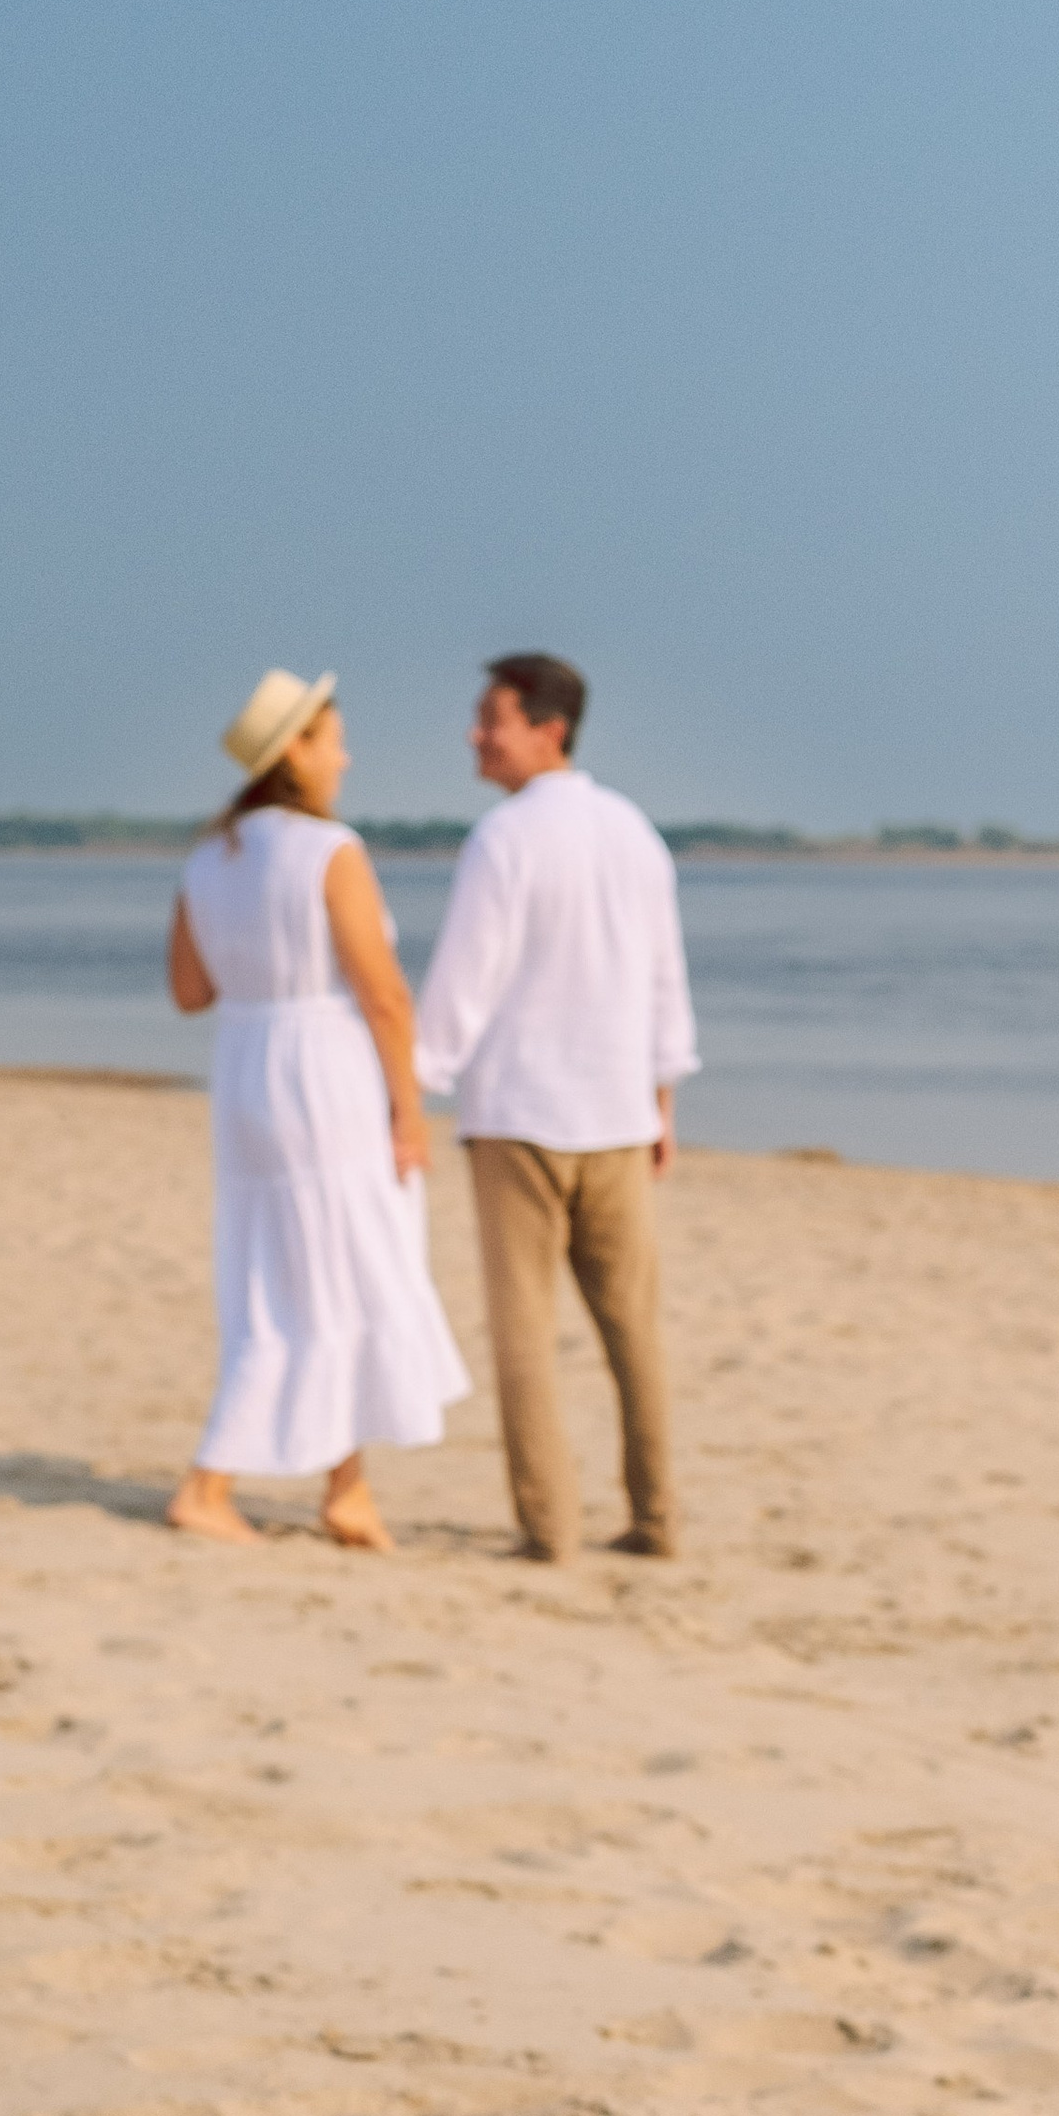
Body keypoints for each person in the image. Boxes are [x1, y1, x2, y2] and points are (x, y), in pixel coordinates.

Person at [165, 669, 468, 1550]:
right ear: (294, 752)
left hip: (247, 1069)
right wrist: (408, 1113)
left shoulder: (211, 857)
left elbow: (190, 991)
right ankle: (208, 1483)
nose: (345, 755)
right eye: (333, 738)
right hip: (324, 1073)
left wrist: (258, 966)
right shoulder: (329, 850)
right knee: (348, 1265)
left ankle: (348, 1486)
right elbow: (385, 997)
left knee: (289, 1272)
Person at [413, 653, 699, 1563]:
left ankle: (552, 1529)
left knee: (525, 1333)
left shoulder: (505, 839)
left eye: (490, 718)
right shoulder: (635, 832)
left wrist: (408, 1081)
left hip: (521, 1115)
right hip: (617, 1114)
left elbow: (465, 983)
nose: (474, 734)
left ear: (549, 727)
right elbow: (665, 979)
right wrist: (662, 1096)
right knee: (633, 1331)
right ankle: (657, 1518)